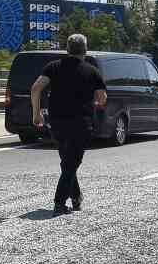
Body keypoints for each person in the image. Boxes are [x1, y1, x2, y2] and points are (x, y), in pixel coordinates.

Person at [30, 33, 106, 215]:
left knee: (68, 162)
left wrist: (36, 113)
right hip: (81, 123)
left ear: (67, 49)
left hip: (56, 123)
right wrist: (94, 103)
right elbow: (102, 98)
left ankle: (76, 197)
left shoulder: (53, 67)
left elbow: (35, 88)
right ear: (85, 50)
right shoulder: (92, 71)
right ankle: (59, 201)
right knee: (72, 162)